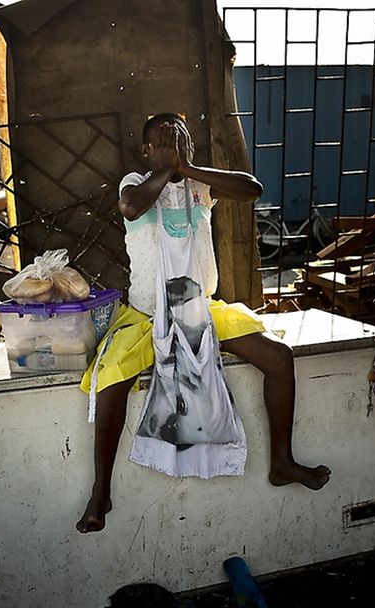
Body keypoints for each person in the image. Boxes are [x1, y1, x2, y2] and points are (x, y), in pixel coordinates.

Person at [76, 113, 330, 533]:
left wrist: (187, 169)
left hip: (201, 312)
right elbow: (132, 206)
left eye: (181, 142)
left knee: (279, 359)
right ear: (146, 151)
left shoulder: (200, 185)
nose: (173, 149)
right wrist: (165, 170)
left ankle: (282, 462)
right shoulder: (134, 183)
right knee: (111, 381)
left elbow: (253, 190)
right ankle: (100, 491)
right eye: (162, 141)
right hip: (147, 315)